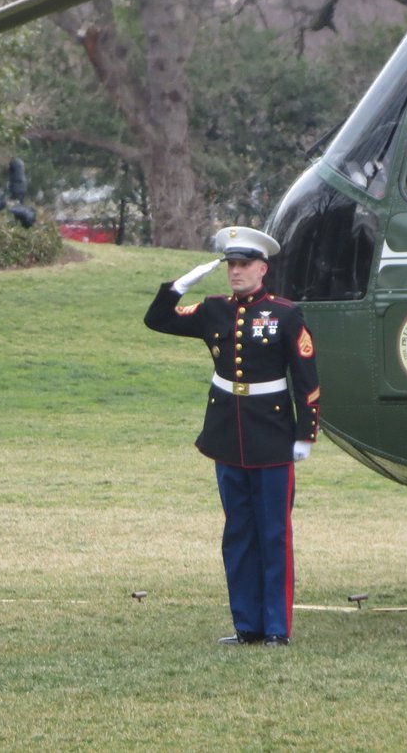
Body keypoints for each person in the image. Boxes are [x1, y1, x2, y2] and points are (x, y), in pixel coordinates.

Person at [144, 226, 320, 647]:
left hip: (273, 435)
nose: (236, 272)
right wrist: (177, 287)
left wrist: (305, 433)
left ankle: (276, 628)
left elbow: (306, 378)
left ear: (263, 268)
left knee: (273, 533)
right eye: (232, 265)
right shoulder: (213, 309)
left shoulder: (284, 313)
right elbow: (157, 320)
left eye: (244, 265)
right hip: (227, 434)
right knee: (238, 533)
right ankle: (247, 626)